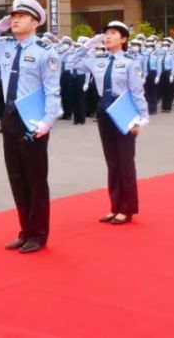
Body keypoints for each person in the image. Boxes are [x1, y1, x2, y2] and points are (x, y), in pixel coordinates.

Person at [0, 0, 61, 255]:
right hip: (10, 116)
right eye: (13, 16)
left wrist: (46, 123)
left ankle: (38, 234)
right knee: (16, 176)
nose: (15, 19)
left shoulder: (44, 53)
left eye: (21, 16)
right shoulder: (6, 47)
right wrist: (0, 26)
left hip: (33, 120)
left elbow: (53, 92)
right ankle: (25, 230)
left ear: (35, 22)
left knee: (35, 179)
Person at [71, 21, 149, 225]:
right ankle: (115, 206)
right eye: (106, 33)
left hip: (123, 110)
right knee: (112, 162)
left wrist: (141, 119)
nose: (108, 36)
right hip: (104, 111)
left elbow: (137, 92)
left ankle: (127, 208)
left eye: (113, 33)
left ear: (123, 39)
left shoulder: (131, 63)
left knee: (125, 161)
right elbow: (71, 61)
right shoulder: (98, 61)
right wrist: (88, 44)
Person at [159, 37, 174, 113]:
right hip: (162, 73)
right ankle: (163, 107)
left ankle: (168, 107)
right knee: (163, 90)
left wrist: (172, 75)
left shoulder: (171, 55)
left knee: (168, 90)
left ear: (169, 47)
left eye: (166, 46)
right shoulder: (160, 55)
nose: (164, 47)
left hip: (168, 72)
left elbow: (173, 66)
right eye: (163, 46)